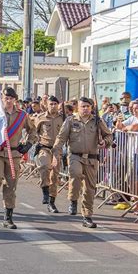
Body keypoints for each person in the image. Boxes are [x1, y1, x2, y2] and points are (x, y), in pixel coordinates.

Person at [52, 97, 113, 228]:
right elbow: (61, 137)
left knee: (90, 188)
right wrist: (55, 154)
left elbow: (109, 135)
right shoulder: (70, 120)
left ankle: (87, 216)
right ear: (77, 108)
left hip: (91, 158)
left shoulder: (97, 121)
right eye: (82, 106)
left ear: (91, 107)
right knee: (76, 174)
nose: (85, 109)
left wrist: (105, 142)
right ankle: (73, 200)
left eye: (87, 106)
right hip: (75, 156)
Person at [0, 87, 36, 229]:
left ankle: (8, 217)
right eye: (5, 98)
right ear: (2, 99)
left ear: (15, 100)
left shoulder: (22, 115)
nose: (8, 101)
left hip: (13, 154)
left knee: (11, 184)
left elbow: (32, 130)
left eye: (10, 98)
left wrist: (28, 144)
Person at [34, 96, 64, 213]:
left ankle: (52, 202)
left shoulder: (63, 118)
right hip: (44, 147)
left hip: (57, 149)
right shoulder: (41, 118)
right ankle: (45, 191)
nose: (53, 106)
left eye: (55, 104)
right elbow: (34, 131)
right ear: (47, 105)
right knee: (44, 166)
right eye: (51, 104)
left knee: (54, 176)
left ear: (58, 105)